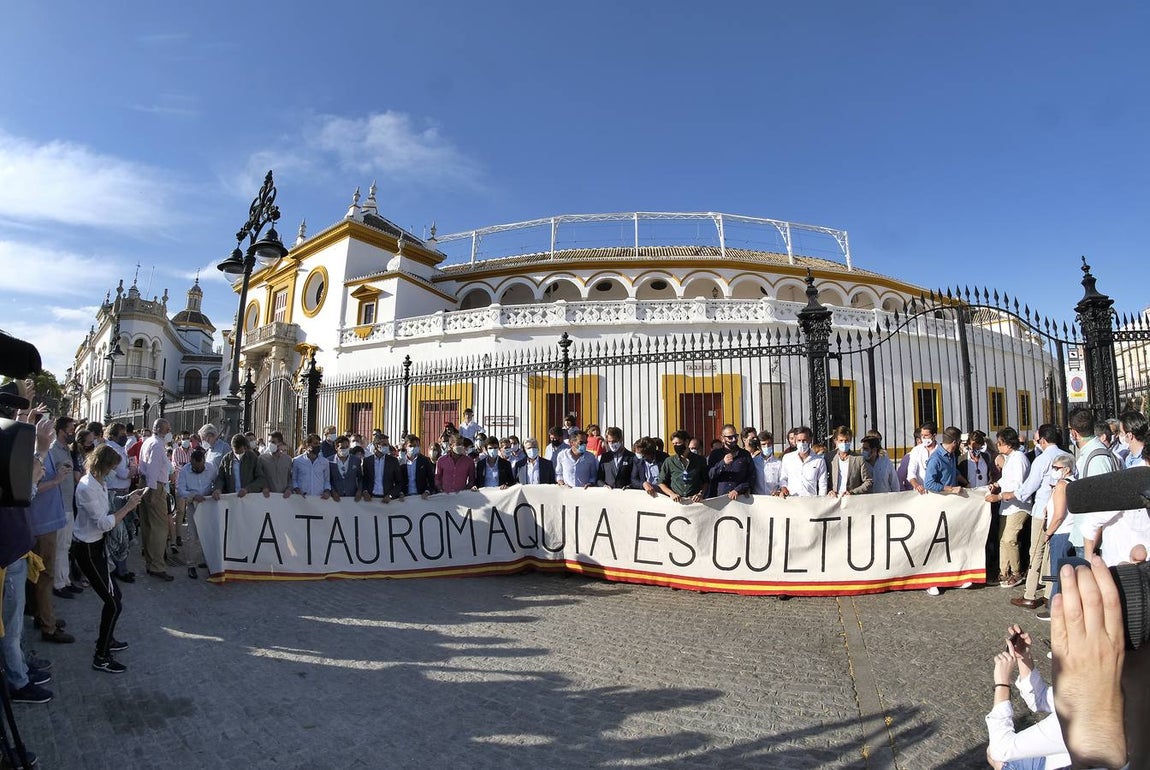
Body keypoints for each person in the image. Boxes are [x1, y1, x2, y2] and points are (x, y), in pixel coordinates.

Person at [73, 444, 146, 673]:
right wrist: (129, 507)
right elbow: (104, 522)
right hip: (86, 548)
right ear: (104, 466)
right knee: (113, 602)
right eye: (113, 468)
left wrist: (127, 498)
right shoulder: (86, 487)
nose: (115, 472)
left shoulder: (99, 483)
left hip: (97, 546)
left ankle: (107, 641)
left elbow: (108, 505)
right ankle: (101, 656)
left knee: (115, 597)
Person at [984, 624, 1069, 769]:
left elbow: (1002, 750)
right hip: (1060, 756)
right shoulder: (1092, 689)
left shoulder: (1074, 718)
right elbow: (1040, 700)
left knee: (993, 754)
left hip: (1055, 764)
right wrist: (1024, 657)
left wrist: (1002, 684)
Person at [28, 416, 74, 644]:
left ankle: (42, 615)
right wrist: (56, 480)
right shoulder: (36, 455)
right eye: (47, 429)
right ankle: (49, 626)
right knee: (46, 575)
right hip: (42, 524)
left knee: (41, 576)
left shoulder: (41, 453)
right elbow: (32, 487)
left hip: (47, 521)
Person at [1012, 453, 1075, 611]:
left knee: (1054, 570)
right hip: (1063, 531)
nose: (1053, 470)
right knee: (1053, 567)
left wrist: (1048, 532)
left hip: (1060, 532)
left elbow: (1059, 515)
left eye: (1056, 468)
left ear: (1066, 469)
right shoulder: (1067, 483)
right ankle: (1049, 597)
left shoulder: (1063, 485)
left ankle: (1053, 605)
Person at [985, 427, 1032, 588]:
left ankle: (1016, 572)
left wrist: (998, 496)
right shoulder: (1010, 458)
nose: (998, 446)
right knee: (1002, 540)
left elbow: (1017, 486)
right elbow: (1006, 479)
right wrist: (996, 485)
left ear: (1009, 444)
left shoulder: (1019, 459)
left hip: (1018, 506)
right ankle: (1003, 571)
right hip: (1007, 506)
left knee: (1009, 539)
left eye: (1000, 443)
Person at [137, 418, 175, 581]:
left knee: (148, 526)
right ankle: (157, 565)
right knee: (159, 528)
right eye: (167, 429)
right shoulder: (158, 446)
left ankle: (150, 563)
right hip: (154, 487)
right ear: (159, 429)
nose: (169, 432)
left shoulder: (148, 442)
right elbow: (153, 470)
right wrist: (152, 493)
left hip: (147, 484)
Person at [175, 448, 216, 579]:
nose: (197, 469)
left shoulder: (211, 468)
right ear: (191, 463)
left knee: (209, 534)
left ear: (203, 462)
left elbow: (218, 482)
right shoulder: (185, 471)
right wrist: (193, 496)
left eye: (200, 466)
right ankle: (191, 565)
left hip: (209, 504)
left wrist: (216, 492)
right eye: (194, 467)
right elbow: (180, 489)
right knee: (192, 536)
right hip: (193, 505)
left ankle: (209, 562)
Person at [658, 430, 708, 503]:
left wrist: (700, 494)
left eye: (678, 443)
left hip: (694, 502)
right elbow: (661, 482)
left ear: (687, 442)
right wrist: (671, 494)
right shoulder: (669, 461)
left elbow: (706, 481)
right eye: (674, 444)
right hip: (676, 502)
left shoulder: (700, 460)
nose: (676, 446)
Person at [212, 433, 266, 502]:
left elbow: (260, 479)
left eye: (240, 452)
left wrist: (247, 489)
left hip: (249, 499)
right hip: (232, 500)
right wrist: (218, 489)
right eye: (236, 452)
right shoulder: (226, 459)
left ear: (245, 448)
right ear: (232, 448)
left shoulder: (252, 458)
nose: (238, 455)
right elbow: (221, 478)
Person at [776, 426, 827, 497]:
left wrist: (822, 502)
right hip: (792, 501)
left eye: (804, 440)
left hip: (810, 501)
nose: (802, 443)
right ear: (795, 441)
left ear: (810, 440)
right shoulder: (787, 458)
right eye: (799, 440)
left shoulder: (819, 460)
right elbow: (783, 478)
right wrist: (783, 487)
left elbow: (822, 484)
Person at [708, 424, 754, 499]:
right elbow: (710, 475)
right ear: (722, 438)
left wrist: (738, 490)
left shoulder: (745, 454)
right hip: (719, 499)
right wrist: (723, 463)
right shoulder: (715, 454)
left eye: (735, 436)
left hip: (740, 499)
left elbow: (751, 476)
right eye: (730, 437)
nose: (733, 439)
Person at [828, 426, 873, 497]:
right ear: (835, 441)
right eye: (841, 440)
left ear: (850, 441)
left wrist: (853, 492)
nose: (844, 443)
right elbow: (823, 480)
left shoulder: (859, 459)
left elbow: (868, 482)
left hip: (852, 500)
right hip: (834, 499)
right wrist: (829, 490)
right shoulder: (829, 457)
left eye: (846, 441)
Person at [362, 436, 403, 501]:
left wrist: (390, 495)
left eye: (388, 444)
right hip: (371, 499)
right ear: (376, 445)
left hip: (387, 499)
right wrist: (365, 492)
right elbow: (364, 479)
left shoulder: (393, 461)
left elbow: (399, 482)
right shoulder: (367, 461)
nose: (387, 446)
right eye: (384, 444)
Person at [257, 431, 293, 497]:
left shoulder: (288, 460)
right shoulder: (262, 459)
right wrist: (264, 487)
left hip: (284, 498)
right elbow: (259, 477)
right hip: (268, 498)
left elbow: (290, 478)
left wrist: (289, 489)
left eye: (273, 442)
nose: (270, 444)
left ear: (280, 444)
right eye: (269, 442)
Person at [905, 422, 937, 494]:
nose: (923, 438)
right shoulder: (916, 450)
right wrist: (916, 485)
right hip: (920, 493)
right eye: (922, 435)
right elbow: (911, 473)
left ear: (934, 435)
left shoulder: (940, 450)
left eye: (926, 435)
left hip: (938, 492)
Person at [327, 436, 362, 502]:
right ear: (336, 448)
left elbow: (360, 478)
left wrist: (359, 491)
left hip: (352, 497)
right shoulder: (329, 461)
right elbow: (327, 480)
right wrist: (333, 491)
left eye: (346, 447)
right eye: (342, 448)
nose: (345, 449)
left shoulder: (356, 460)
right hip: (335, 498)